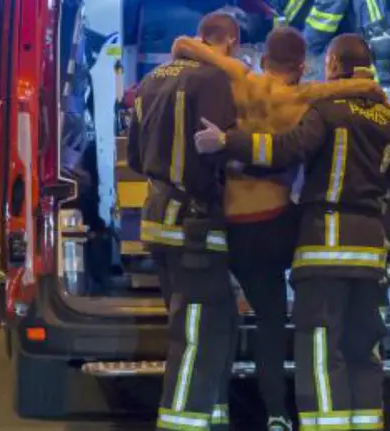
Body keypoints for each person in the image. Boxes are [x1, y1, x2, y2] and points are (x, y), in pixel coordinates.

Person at [194, 33, 390, 430]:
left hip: (323, 247)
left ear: (332, 65)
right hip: (370, 251)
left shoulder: (325, 112)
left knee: (323, 352)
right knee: (365, 350)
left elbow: (284, 149)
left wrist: (228, 141)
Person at [172, 27, 385, 431]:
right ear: (302, 65)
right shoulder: (304, 97)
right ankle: (277, 412)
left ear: (264, 56)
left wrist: (195, 45)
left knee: (239, 318)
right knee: (279, 313)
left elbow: (184, 46)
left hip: (234, 224)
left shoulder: (240, 76)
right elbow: (348, 91)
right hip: (276, 226)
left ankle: (234, 407)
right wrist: (371, 90)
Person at [128, 11, 241, 431]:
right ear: (228, 42)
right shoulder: (212, 80)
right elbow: (220, 151)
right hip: (196, 226)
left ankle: (213, 418)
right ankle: (182, 424)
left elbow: (137, 158)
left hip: (158, 220)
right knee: (196, 334)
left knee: (214, 326)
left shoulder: (153, 78)